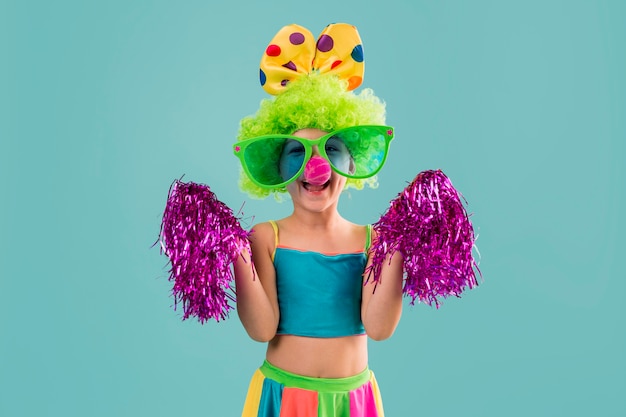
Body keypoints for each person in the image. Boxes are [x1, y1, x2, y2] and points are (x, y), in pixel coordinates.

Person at [232, 23, 403, 416]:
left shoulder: (373, 239)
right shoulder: (265, 237)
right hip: (283, 396)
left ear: (355, 161)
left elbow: (379, 328)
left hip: (353, 401)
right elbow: (261, 329)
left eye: (333, 149)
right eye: (297, 151)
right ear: (276, 164)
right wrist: (233, 251)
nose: (316, 166)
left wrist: (399, 243)